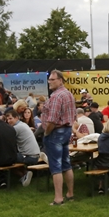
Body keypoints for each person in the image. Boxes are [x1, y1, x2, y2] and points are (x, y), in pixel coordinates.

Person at [42, 70, 76, 206]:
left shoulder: (56, 96)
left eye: (53, 79)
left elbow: (52, 120)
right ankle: (70, 193)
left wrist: (46, 133)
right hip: (67, 130)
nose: (50, 82)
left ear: (60, 80)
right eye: (49, 79)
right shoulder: (69, 94)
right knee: (66, 163)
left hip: (55, 132)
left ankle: (58, 198)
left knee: (55, 166)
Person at [4, 110, 40, 187]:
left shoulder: (16, 128)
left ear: (16, 118)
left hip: (29, 156)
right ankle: (24, 175)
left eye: (10, 119)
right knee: (12, 156)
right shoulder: (23, 124)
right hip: (35, 154)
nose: (8, 121)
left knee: (6, 159)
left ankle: (23, 175)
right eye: (7, 119)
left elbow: (6, 140)